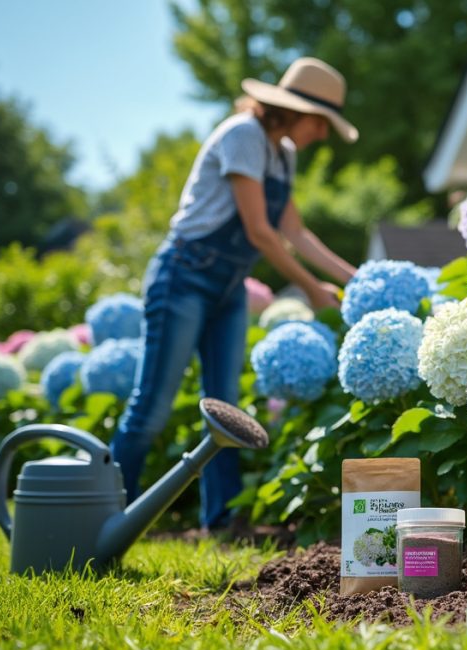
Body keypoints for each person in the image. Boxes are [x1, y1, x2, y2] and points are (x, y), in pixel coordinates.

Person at [110, 57, 358, 530]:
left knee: (225, 407)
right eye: (322, 124)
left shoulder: (282, 154)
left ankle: (220, 520)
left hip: (227, 288)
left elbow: (296, 231)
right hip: (183, 276)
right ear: (298, 112)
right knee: (151, 409)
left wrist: (356, 277)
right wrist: (312, 289)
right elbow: (262, 234)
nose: (323, 135)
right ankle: (108, 518)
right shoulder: (243, 135)